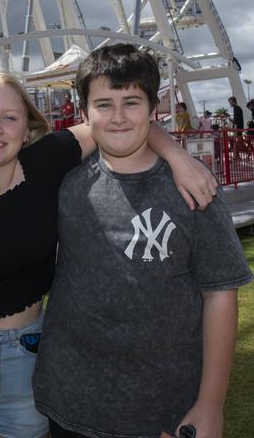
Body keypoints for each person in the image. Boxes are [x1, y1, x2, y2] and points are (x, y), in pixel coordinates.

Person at [0, 65, 217, 437]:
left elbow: (119, 121)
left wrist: (178, 157)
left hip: (32, 357)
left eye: (10, 117)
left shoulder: (48, 163)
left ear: (27, 130)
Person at [32, 44, 252, 438]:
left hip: (163, 409)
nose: (117, 117)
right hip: (69, 399)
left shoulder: (194, 190)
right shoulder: (66, 185)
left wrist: (211, 404)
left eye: (131, 102)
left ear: (154, 111)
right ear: (84, 113)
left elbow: (220, 293)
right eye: (104, 104)